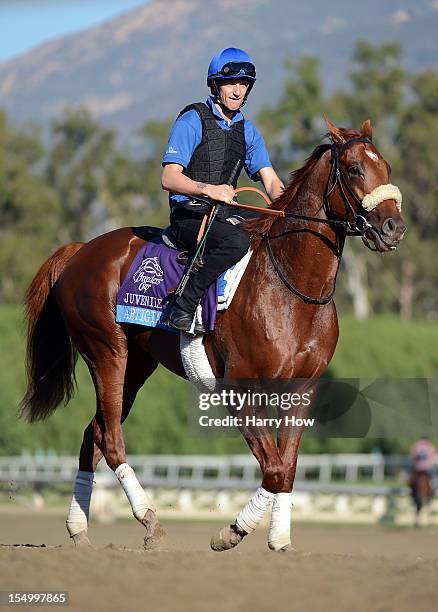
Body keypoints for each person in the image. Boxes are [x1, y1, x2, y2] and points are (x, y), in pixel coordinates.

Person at [161, 47, 284, 332]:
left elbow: (271, 181)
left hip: (225, 215)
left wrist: (290, 210)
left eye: (244, 84)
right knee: (237, 242)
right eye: (231, 83)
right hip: (188, 216)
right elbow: (169, 178)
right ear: (215, 84)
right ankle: (183, 304)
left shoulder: (248, 131)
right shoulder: (192, 119)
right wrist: (210, 190)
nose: (238, 90)